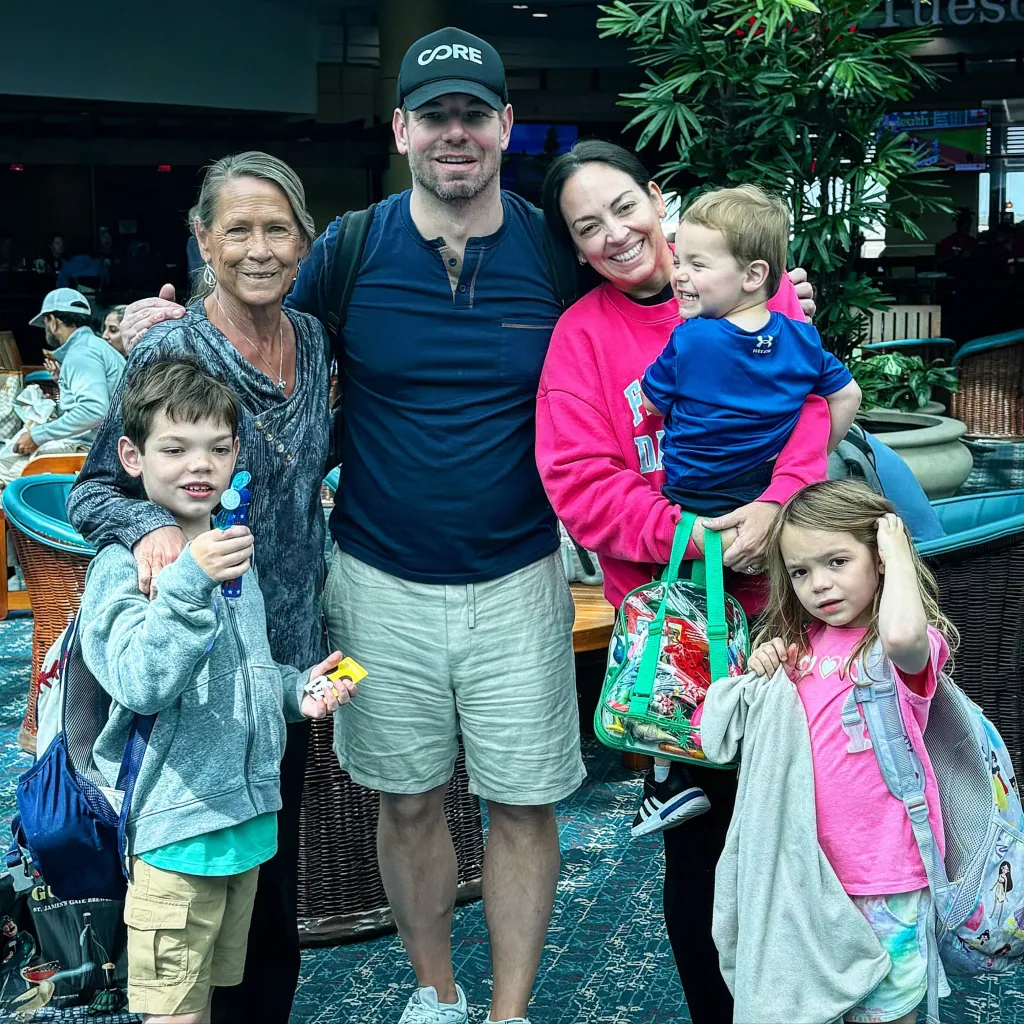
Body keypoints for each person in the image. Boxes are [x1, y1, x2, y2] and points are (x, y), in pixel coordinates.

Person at [118, 32, 816, 1024]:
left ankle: (509, 1010)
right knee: (402, 800)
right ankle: (437, 993)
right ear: (402, 128)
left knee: (525, 802)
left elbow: (661, 312)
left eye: (473, 114)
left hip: (521, 577)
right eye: (434, 115)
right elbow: (260, 339)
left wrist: (771, 309)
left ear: (503, 127)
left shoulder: (546, 248)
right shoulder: (351, 248)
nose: (455, 133)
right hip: (371, 581)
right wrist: (161, 324)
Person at [535, 138, 824, 1024]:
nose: (617, 235)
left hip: (792, 608)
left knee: (816, 831)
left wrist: (777, 507)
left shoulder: (760, 297)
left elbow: (814, 410)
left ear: (658, 199)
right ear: (576, 248)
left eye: (625, 207)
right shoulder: (582, 337)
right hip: (681, 637)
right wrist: (699, 537)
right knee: (701, 849)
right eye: (589, 228)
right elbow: (581, 487)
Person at [66, 151, 329, 1024]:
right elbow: (97, 487)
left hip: (276, 659)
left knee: (266, 896)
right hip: (191, 661)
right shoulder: (176, 347)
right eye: (238, 229)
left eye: (278, 229)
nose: (260, 248)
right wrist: (158, 541)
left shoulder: (317, 340)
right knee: (183, 903)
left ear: (305, 240)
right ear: (203, 240)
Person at [79, 356, 353, 1024]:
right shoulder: (123, 569)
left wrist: (295, 692)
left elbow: (241, 672)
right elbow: (143, 682)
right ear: (131, 456)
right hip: (175, 834)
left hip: (242, 825)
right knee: (175, 1013)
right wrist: (188, 583)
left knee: (215, 1001)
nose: (199, 465)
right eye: (174, 448)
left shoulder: (231, 549)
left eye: (218, 448)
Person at [634, 183, 861, 836]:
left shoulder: (690, 341)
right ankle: (768, 756)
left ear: (754, 274)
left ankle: (667, 778)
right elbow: (843, 398)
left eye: (697, 263)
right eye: (680, 258)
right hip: (770, 519)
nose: (679, 272)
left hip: (695, 514)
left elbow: (652, 404)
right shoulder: (799, 341)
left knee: (673, 642)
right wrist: (803, 439)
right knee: (768, 641)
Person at [747, 479, 957, 1024]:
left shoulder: (904, 650)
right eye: (800, 571)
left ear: (880, 558)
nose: (819, 584)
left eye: (838, 561)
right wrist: (767, 661)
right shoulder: (805, 648)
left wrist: (898, 553)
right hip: (812, 877)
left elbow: (903, 634)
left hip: (887, 877)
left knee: (887, 1014)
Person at [12, 288, 125, 460]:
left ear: (53, 321)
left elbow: (94, 409)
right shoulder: (93, 346)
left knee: (5, 466)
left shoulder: (81, 353)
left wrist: (38, 435)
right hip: (109, 443)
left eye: (46, 323)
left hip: (94, 449)